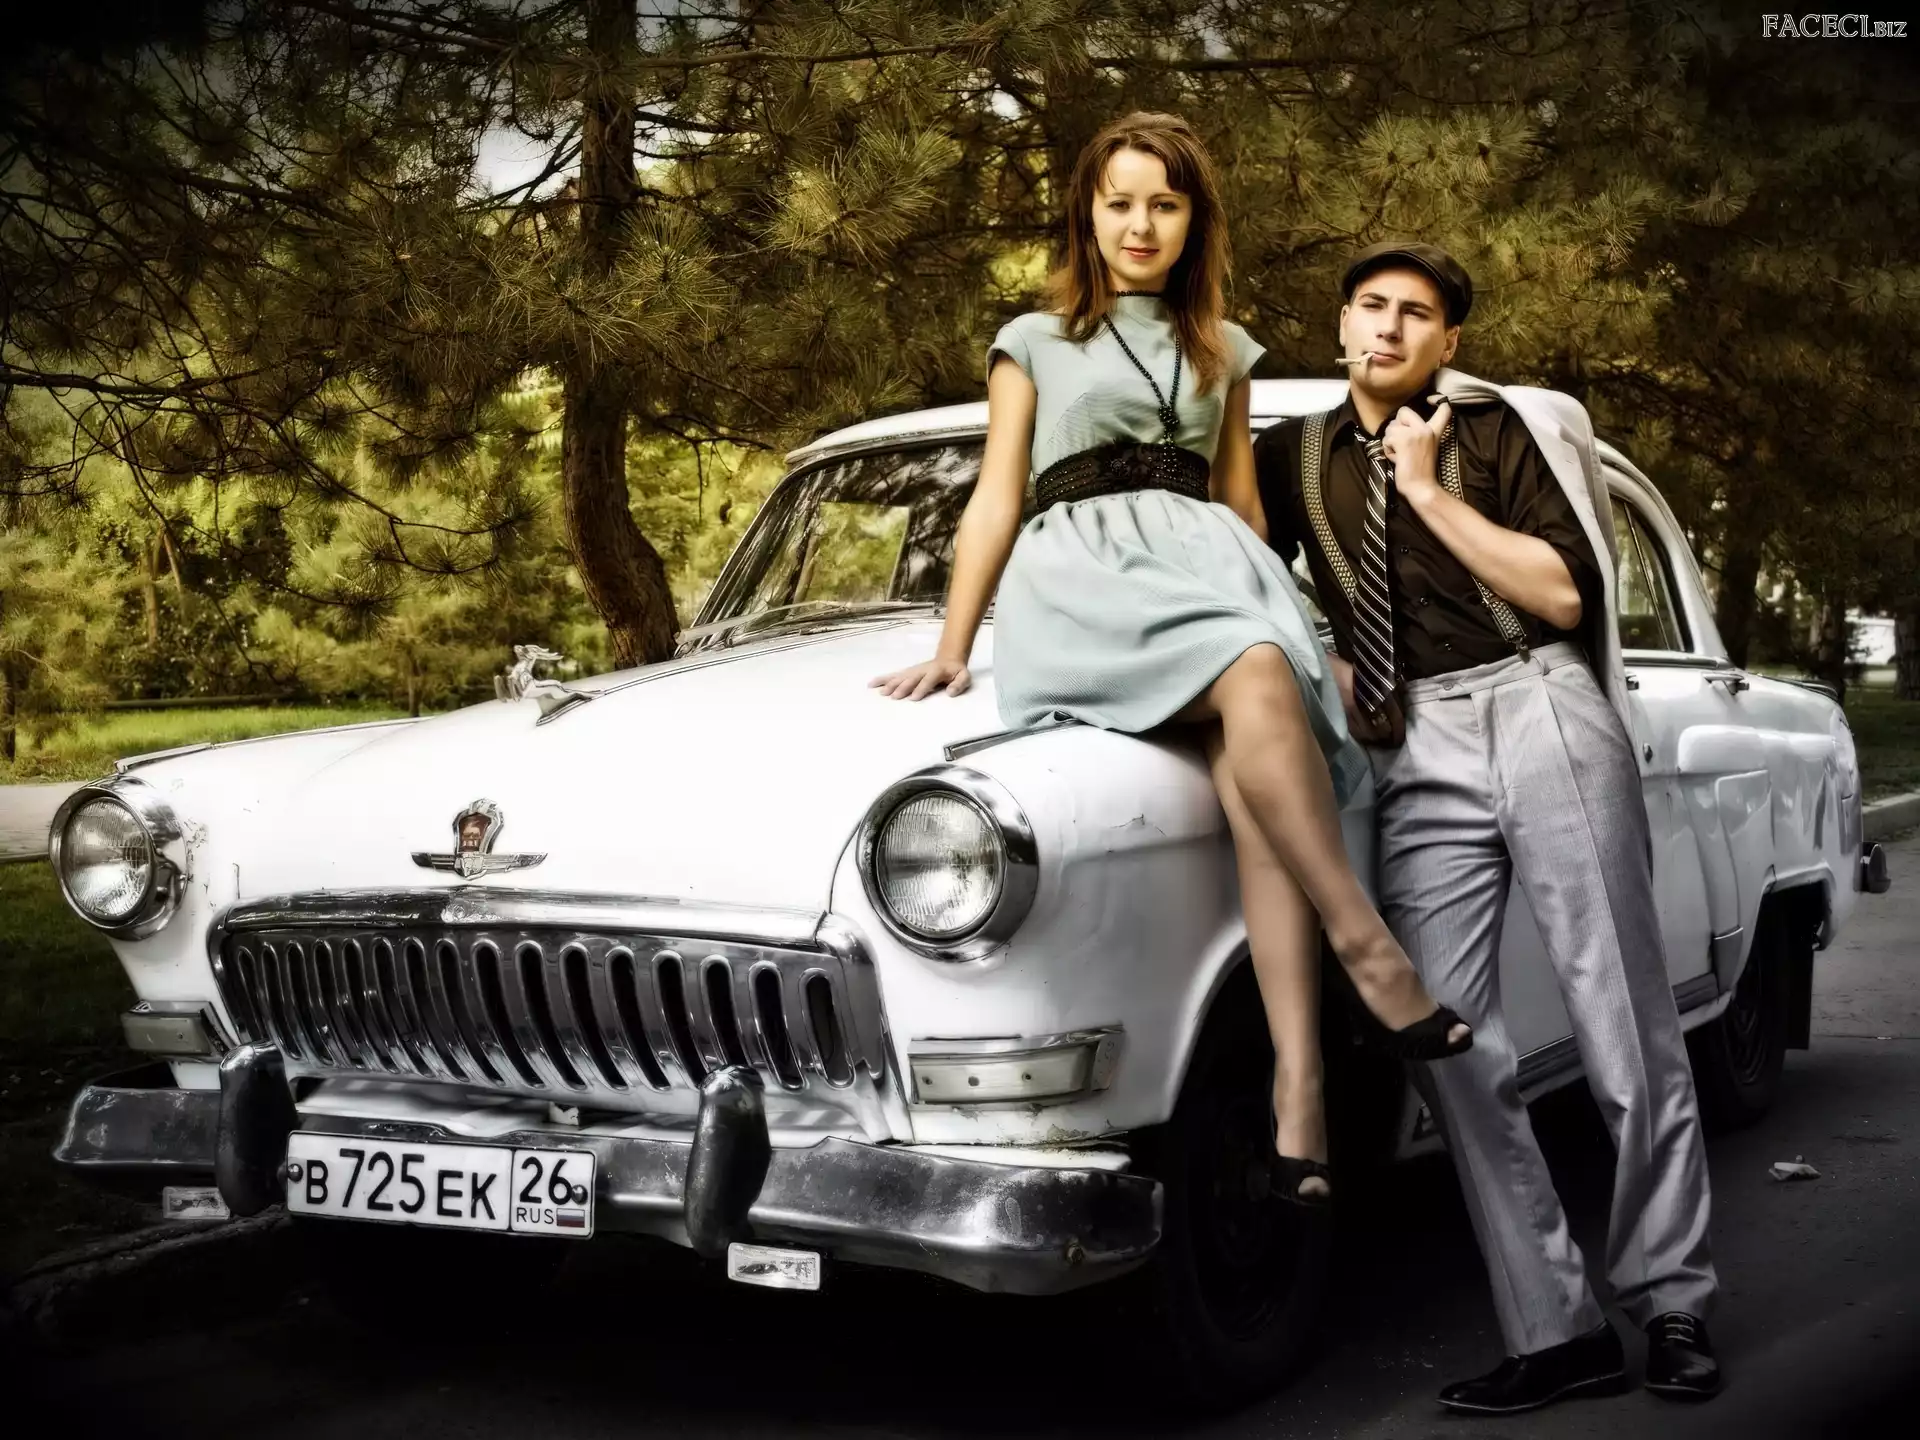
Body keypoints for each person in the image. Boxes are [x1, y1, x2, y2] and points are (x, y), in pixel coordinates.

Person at [871, 114, 1471, 1208]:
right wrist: (952, 647)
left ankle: (1299, 1091)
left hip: (1210, 573)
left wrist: (1315, 637)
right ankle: (1367, 951)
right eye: (1120, 202)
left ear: (1195, 220)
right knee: (1255, 674)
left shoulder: (1221, 347)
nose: (1140, 224)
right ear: (1088, 214)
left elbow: (1240, 507)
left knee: (1258, 750)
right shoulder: (1032, 340)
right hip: (1083, 578)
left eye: (1164, 203)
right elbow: (997, 497)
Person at [1253, 240, 1721, 1410]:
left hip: (1538, 705)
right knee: (1446, 1039)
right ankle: (1556, 1329)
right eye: (1371, 307)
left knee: (1623, 1021)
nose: (1389, 328)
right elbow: (1231, 585)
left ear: (1448, 341)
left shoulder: (1495, 431)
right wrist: (1322, 664)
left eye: (1416, 314)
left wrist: (1423, 489)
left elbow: (1560, 593)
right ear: (1341, 322)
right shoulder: (1289, 456)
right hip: (1413, 743)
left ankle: (1672, 1299)